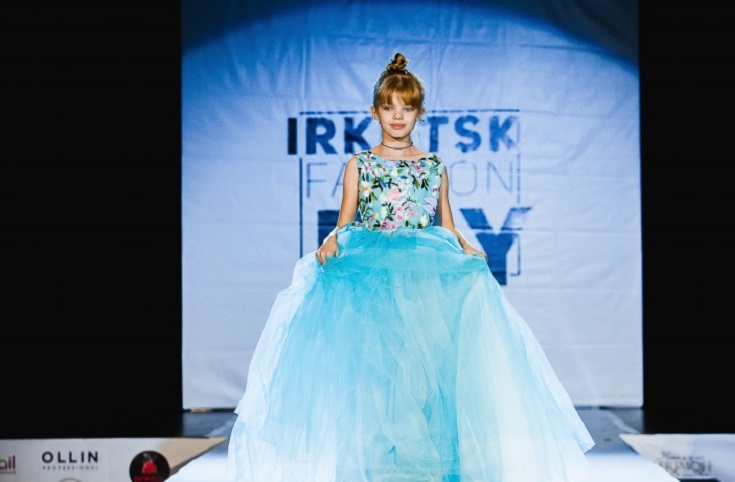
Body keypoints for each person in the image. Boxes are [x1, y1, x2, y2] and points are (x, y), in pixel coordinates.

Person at [227, 52, 595, 482]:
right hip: (373, 279)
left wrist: (465, 247)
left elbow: (447, 224)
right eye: (389, 107)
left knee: (427, 376)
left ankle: (429, 470)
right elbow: (345, 221)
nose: (397, 116)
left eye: (406, 108)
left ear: (420, 113)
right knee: (378, 378)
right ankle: (381, 470)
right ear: (375, 112)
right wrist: (330, 242)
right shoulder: (359, 164)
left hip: (423, 278)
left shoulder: (434, 165)